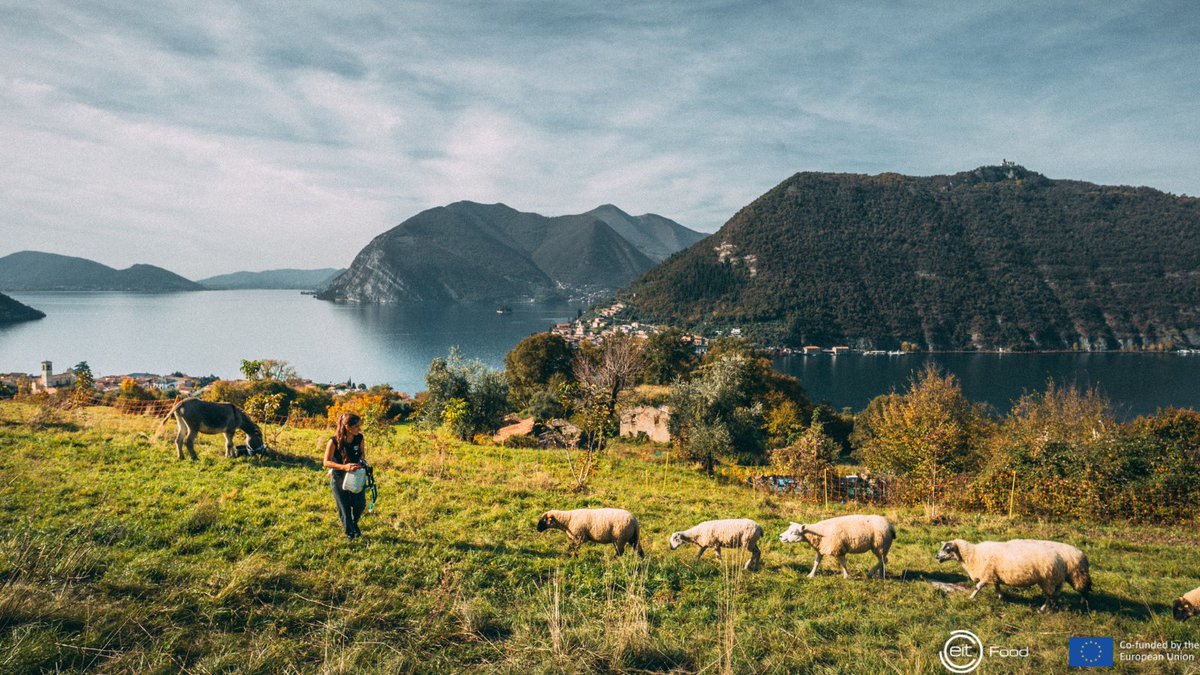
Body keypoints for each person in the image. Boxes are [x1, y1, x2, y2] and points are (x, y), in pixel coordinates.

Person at [323, 413, 367, 540]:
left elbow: (362, 455)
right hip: (338, 477)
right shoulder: (333, 442)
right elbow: (326, 462)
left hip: (355, 476)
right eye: (357, 426)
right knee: (345, 507)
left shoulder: (359, 438)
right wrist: (344, 467)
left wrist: (361, 465)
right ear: (348, 427)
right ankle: (350, 534)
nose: (360, 429)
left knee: (360, 504)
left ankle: (353, 525)